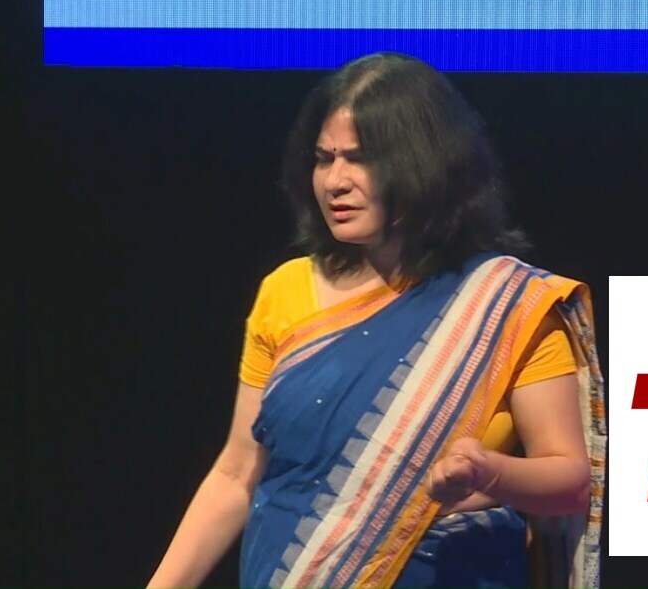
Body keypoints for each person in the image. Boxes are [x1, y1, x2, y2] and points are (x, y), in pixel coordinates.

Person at [146, 52, 606, 588]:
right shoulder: (285, 291)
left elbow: (570, 482)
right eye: (324, 159)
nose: (334, 181)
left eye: (359, 159)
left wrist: (492, 473)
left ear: (425, 164)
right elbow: (235, 474)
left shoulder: (505, 305)